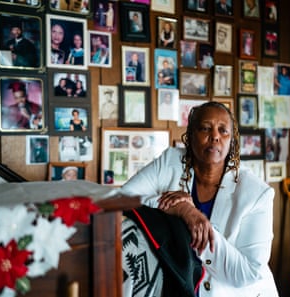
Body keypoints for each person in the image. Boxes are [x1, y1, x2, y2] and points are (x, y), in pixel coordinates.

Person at [120, 101, 279, 296]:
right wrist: (181, 209)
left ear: (232, 141)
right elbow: (122, 198)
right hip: (181, 284)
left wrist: (203, 229)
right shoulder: (170, 161)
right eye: (205, 128)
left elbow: (248, 273)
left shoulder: (256, 193)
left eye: (223, 131)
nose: (214, 136)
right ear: (190, 135)